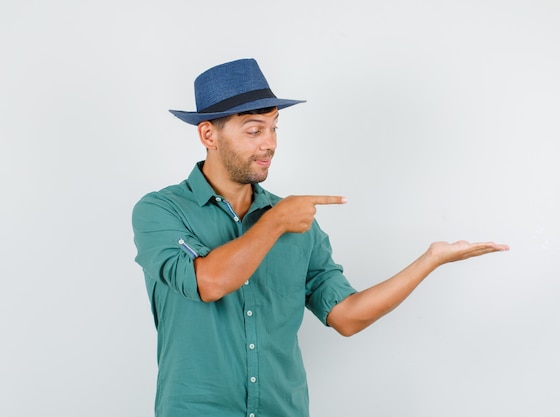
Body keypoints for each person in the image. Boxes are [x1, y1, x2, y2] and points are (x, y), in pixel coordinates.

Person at [131, 58, 509, 417]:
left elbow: (347, 317)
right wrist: (275, 221)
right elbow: (209, 282)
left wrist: (430, 260)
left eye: (274, 127)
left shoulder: (299, 226)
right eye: (254, 130)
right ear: (208, 134)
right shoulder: (161, 211)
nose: (270, 144)